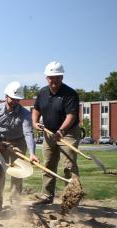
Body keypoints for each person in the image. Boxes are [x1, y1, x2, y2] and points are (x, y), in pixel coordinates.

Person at [31, 61, 80, 206]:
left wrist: (61, 131)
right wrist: (34, 122)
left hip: (68, 132)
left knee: (69, 165)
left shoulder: (70, 94)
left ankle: (71, 198)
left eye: (58, 77)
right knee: (48, 164)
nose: (54, 80)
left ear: (62, 77)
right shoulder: (42, 92)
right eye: (52, 77)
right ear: (47, 78)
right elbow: (36, 109)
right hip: (48, 132)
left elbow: (71, 116)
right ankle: (47, 195)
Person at [0, 81, 39, 211]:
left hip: (19, 143)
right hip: (2, 144)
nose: (15, 101)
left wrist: (32, 153)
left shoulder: (25, 114)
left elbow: (28, 133)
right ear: (6, 96)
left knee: (17, 174)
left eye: (17, 99)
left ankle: (15, 204)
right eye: (12, 98)